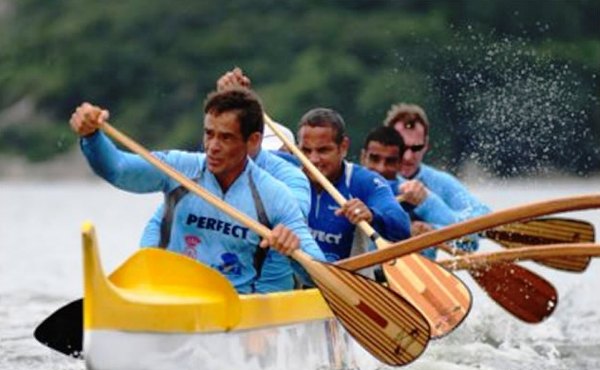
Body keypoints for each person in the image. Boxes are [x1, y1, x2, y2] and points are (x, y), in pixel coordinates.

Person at [69, 88, 325, 294]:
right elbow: (118, 170)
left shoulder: (275, 196)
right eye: (209, 134)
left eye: (225, 138)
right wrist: (91, 136)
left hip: (236, 309)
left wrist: (294, 251)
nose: (212, 146)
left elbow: (319, 275)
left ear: (253, 141)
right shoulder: (179, 168)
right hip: (167, 294)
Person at [298, 108, 411, 262]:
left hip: (347, 282)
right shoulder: (290, 175)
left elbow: (402, 228)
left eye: (323, 150)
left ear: (343, 147)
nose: (313, 160)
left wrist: (372, 216)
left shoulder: (364, 182)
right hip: (295, 284)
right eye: (306, 151)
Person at [383, 103, 491, 253]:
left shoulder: (440, 182)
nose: (408, 157)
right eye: (403, 147)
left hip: (420, 272)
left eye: (416, 148)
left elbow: (483, 219)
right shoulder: (370, 178)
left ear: (426, 145)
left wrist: (434, 229)